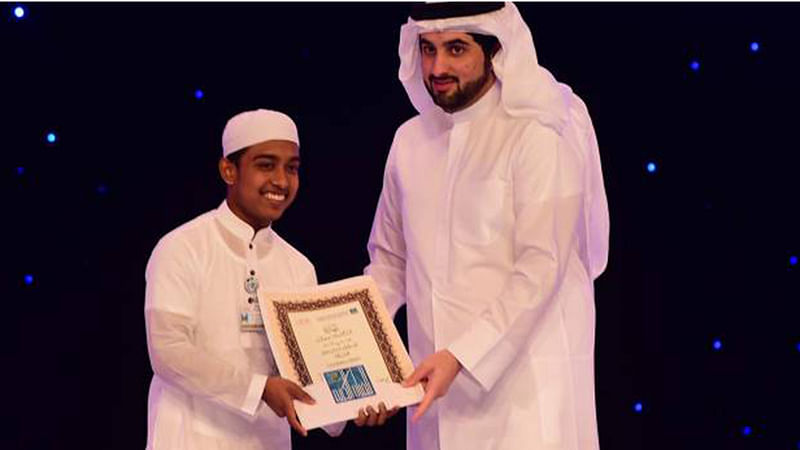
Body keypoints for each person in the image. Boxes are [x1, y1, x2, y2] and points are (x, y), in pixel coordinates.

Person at [364, 2, 610, 449]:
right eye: (427, 49)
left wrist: (461, 355)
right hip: (433, 390)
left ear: (494, 49)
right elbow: (389, 264)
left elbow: (541, 267)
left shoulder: (536, 134)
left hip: (525, 394)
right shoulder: (409, 142)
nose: (437, 67)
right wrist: (359, 362)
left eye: (456, 49)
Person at [144, 109, 344, 449]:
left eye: (292, 168)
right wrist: (260, 389)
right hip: (189, 438)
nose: (281, 180)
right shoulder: (182, 247)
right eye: (266, 165)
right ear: (229, 170)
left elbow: (313, 368)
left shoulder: (298, 266)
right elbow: (168, 351)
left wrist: (355, 404)